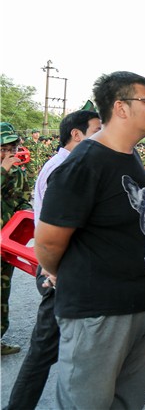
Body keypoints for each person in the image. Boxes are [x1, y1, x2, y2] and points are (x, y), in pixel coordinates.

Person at [34, 71, 145, 409]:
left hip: (144, 305)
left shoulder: (128, 155)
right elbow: (48, 243)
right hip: (100, 313)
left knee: (127, 402)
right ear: (121, 107)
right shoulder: (84, 164)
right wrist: (60, 272)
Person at [6, 110, 101, 409]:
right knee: (44, 347)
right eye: (96, 130)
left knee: (89, 340)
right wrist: (55, 269)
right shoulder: (61, 168)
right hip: (60, 271)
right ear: (76, 134)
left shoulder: (74, 164)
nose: (102, 136)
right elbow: (55, 229)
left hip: (72, 268)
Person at [1, 122, 33, 356]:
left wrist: (27, 212)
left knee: (2, 292)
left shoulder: (18, 172)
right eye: (3, 148)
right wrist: (3, 170)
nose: (8, 153)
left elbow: (22, 200)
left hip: (6, 241)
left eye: (11, 148)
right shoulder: (6, 169)